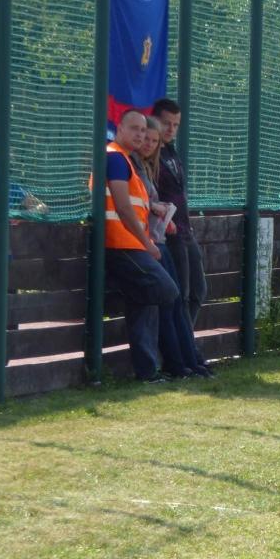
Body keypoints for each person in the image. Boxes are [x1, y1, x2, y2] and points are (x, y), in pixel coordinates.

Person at [104, 110, 180, 382]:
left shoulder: (126, 160)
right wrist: (147, 243)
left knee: (145, 303)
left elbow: (137, 206)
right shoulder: (114, 157)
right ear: (119, 129)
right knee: (166, 290)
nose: (140, 134)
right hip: (122, 245)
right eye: (134, 128)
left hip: (131, 244)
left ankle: (147, 372)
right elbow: (124, 208)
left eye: (143, 130)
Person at [134, 117, 213, 379]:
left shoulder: (152, 165)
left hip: (160, 239)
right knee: (171, 300)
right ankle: (178, 363)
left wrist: (162, 213)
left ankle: (189, 360)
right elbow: (131, 205)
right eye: (145, 137)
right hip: (147, 244)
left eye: (153, 141)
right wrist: (155, 209)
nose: (148, 143)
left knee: (181, 300)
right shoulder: (131, 164)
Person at [152, 97, 208, 328]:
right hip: (168, 232)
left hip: (185, 230)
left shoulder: (171, 151)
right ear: (155, 120)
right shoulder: (151, 153)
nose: (171, 129)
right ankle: (180, 346)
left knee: (198, 291)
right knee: (181, 295)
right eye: (166, 123)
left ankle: (186, 341)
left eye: (176, 125)